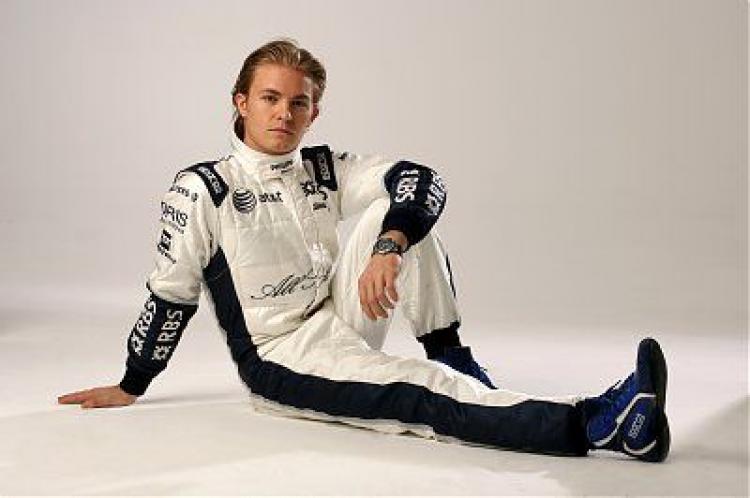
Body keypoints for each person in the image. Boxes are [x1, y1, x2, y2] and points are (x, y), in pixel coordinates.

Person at [58, 39, 670, 462]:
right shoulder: (204, 188)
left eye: (298, 102)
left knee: (393, 215)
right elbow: (171, 293)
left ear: (313, 111)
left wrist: (389, 246)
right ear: (241, 103)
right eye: (269, 98)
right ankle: (601, 424)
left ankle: (457, 362)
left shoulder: (322, 167)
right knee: (419, 391)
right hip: (282, 357)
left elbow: (422, 180)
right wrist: (133, 382)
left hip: (339, 313)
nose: (284, 113)